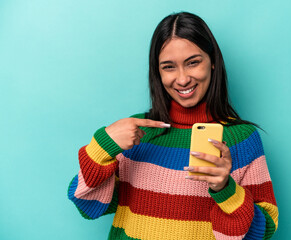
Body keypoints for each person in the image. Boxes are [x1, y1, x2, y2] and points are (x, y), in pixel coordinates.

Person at [68, 11, 279, 240]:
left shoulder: (242, 139)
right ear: (157, 73)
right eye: (169, 67)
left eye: (193, 62)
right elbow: (86, 204)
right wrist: (101, 147)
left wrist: (224, 189)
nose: (182, 79)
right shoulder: (137, 133)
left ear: (213, 62)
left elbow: (263, 230)